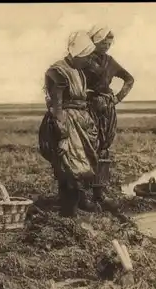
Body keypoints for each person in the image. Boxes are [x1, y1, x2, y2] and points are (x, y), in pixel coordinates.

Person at [38, 31, 100, 218]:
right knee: (69, 168)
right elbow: (57, 105)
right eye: (87, 56)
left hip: (80, 124)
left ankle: (76, 203)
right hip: (66, 123)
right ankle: (68, 213)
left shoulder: (78, 70)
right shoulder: (58, 72)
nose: (89, 60)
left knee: (81, 168)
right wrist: (62, 133)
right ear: (78, 53)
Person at [84, 26, 135, 205]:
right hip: (86, 109)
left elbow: (129, 79)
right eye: (103, 41)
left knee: (103, 148)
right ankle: (82, 195)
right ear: (94, 41)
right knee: (85, 148)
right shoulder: (82, 60)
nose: (107, 45)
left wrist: (118, 98)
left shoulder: (110, 62)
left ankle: (99, 192)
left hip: (106, 111)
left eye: (109, 42)